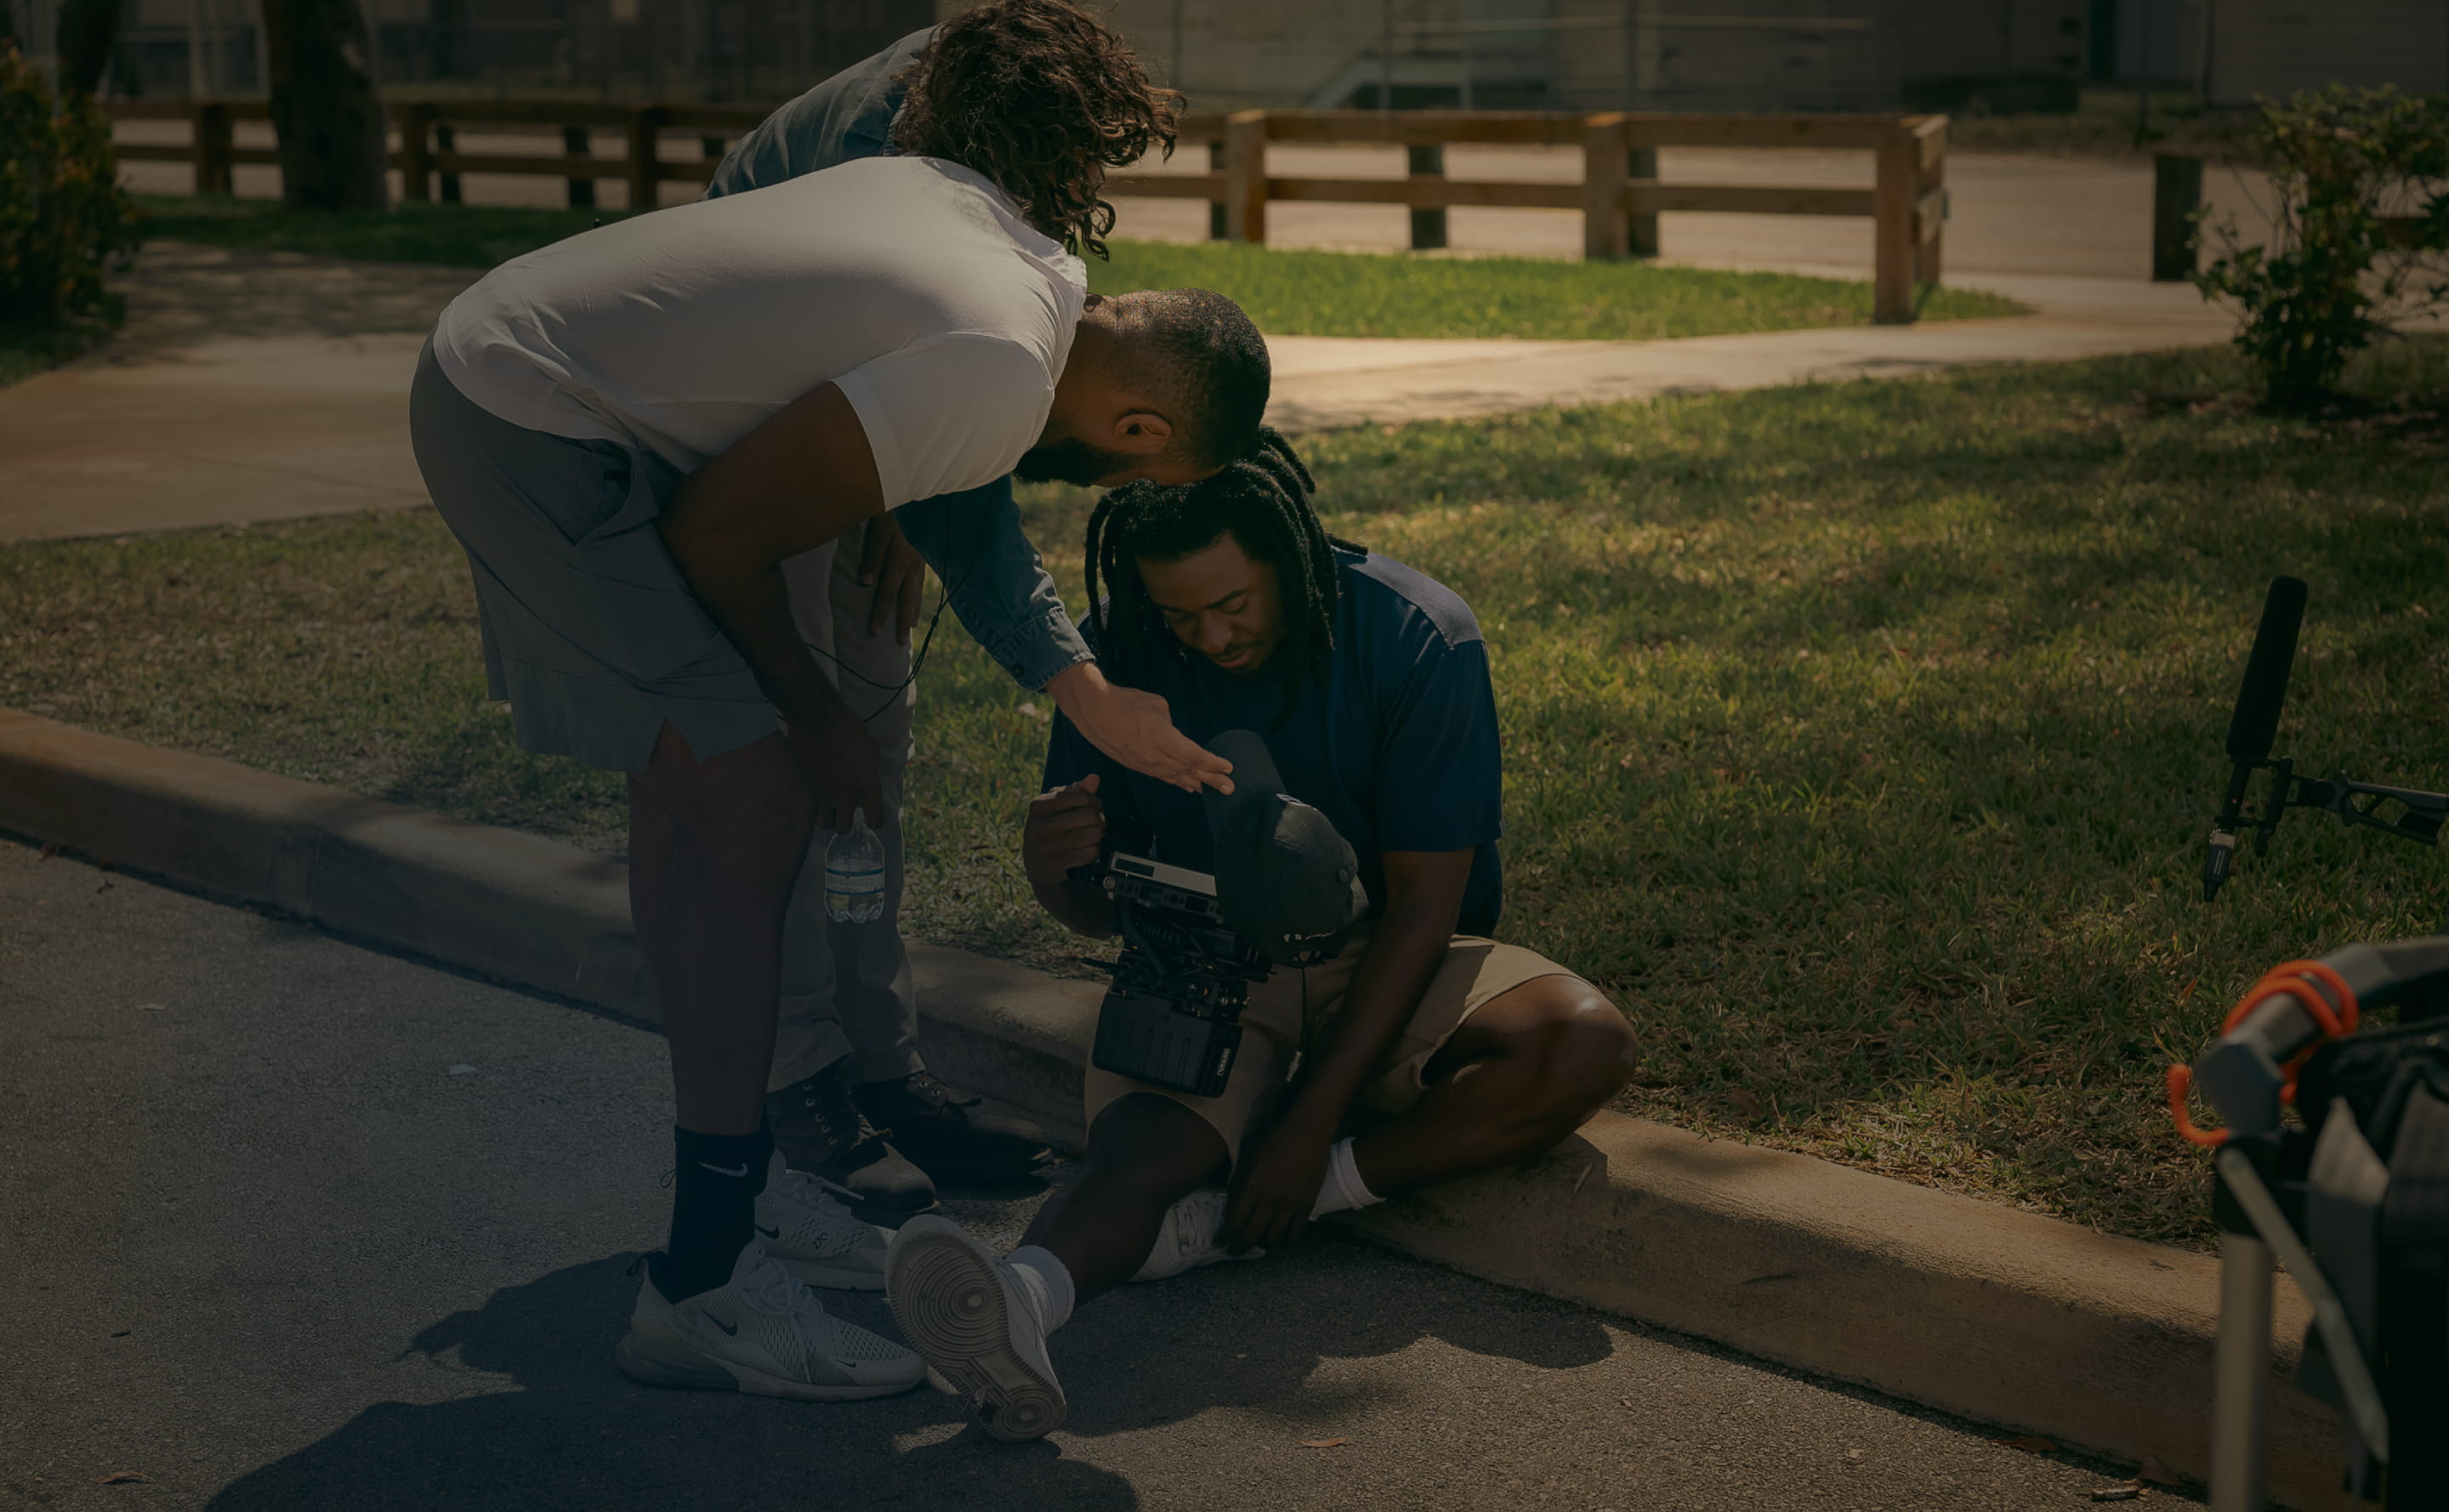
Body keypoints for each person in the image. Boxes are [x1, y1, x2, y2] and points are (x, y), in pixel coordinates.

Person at [406, 5, 1268, 1401]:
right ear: (1144, 435)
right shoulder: (999, 357)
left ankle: (736, 1195)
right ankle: (700, 1282)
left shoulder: (1016, 253)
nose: (1117, 495)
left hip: (518, 377)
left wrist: (1087, 696)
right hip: (538, 429)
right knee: (753, 801)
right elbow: (722, 536)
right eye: (1140, 483)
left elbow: (959, 507)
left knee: (720, 807)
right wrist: (819, 722)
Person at [882, 431, 1642, 1438]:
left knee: (1582, 1040)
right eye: (1179, 614)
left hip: (1392, 959)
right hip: (1208, 961)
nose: (1210, 638)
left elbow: (1428, 906)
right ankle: (1018, 1302)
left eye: (1233, 604)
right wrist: (1056, 873)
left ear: (1291, 554)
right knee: (1135, 1153)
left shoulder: (1419, 635)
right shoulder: (1118, 647)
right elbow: (1101, 909)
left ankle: (1279, 1208)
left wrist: (1308, 1132)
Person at [692, 3, 1148, 1219]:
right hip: (743, 447)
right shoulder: (885, 147)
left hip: (846, 428)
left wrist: (910, 478)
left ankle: (887, 1073)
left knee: (869, 789)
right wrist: (1068, 666)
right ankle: (799, 1092)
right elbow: (899, 356)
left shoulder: (1011, 117)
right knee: (802, 783)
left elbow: (929, 382)